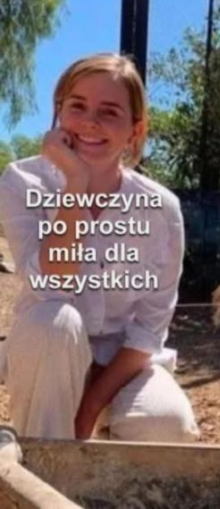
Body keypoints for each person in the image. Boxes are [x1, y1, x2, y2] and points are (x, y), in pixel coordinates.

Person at [0, 53, 200, 442]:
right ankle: (44, 468)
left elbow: (148, 328)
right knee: (56, 321)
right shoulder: (22, 181)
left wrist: (89, 408)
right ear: (59, 113)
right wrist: (75, 181)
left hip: (121, 365)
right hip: (46, 352)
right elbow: (52, 284)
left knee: (165, 424)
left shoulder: (161, 210)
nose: (90, 122)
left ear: (135, 130)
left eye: (109, 112)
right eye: (77, 106)